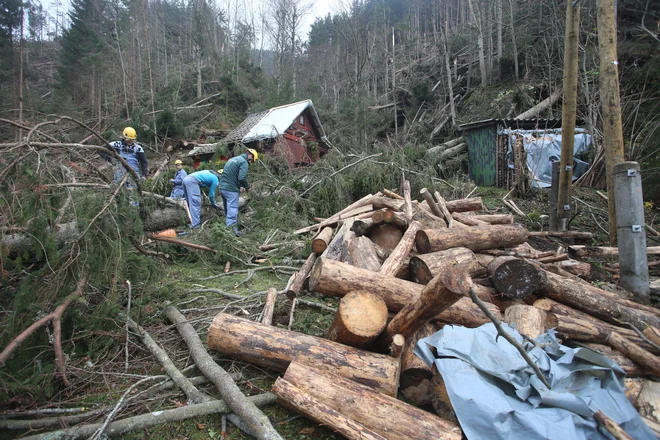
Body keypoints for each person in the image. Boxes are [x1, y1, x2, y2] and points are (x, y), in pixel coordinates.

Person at [219, 148, 258, 236]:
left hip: (222, 188)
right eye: (252, 161)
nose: (250, 163)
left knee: (227, 210)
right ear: (250, 156)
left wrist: (239, 186)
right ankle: (232, 232)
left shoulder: (232, 159)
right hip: (231, 190)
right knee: (232, 210)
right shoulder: (244, 162)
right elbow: (242, 177)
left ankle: (227, 229)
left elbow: (231, 175)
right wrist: (247, 187)